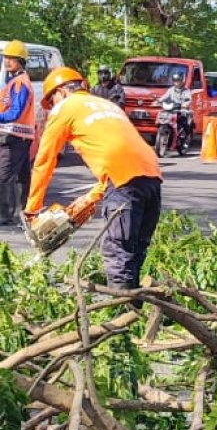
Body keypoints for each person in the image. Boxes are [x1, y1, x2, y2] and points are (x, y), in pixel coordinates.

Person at [25, 67, 162, 289]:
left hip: (124, 180)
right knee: (135, 250)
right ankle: (135, 313)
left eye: (51, 102)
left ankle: (121, 317)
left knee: (117, 252)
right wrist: (90, 198)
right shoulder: (107, 105)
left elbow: (44, 160)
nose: (51, 108)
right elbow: (121, 158)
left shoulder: (65, 108)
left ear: (61, 92)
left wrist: (33, 209)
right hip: (152, 176)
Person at [0, 40, 35, 226]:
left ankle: (5, 215)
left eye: (11, 59)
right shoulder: (15, 81)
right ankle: (24, 211)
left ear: (20, 61)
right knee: (22, 175)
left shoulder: (20, 83)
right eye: (6, 58)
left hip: (15, 135)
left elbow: (16, 112)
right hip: (19, 135)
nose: (7, 62)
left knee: (3, 175)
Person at [159, 71, 193, 149]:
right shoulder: (171, 90)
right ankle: (166, 135)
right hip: (172, 110)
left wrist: (186, 104)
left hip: (181, 111)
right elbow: (165, 96)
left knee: (184, 123)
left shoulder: (186, 91)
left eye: (178, 81)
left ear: (182, 81)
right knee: (164, 117)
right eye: (175, 81)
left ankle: (186, 139)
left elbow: (189, 99)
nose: (176, 83)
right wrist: (158, 101)